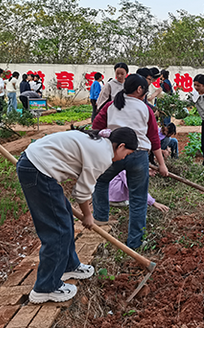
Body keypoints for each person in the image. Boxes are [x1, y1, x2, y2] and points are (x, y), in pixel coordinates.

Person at [16, 125, 138, 303]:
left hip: (39, 166)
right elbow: (82, 191)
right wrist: (88, 215)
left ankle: (69, 266)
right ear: (120, 146)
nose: (124, 158)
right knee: (57, 231)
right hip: (38, 171)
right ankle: (45, 288)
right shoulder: (102, 155)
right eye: (126, 153)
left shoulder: (101, 143)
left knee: (64, 221)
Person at [92, 73, 168, 249]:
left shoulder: (111, 106)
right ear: (139, 89)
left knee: (100, 180)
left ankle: (101, 218)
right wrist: (162, 165)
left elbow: (96, 128)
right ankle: (135, 242)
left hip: (114, 153)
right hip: (139, 155)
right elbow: (154, 139)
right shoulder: (145, 108)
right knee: (138, 199)